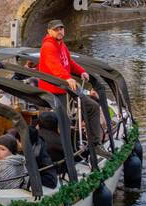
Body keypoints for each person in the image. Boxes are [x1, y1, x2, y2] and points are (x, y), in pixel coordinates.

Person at [37, 18, 103, 147]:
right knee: (63, 121)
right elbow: (54, 65)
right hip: (55, 90)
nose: (59, 31)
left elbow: (69, 63)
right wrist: (67, 78)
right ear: (49, 31)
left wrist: (81, 72)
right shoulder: (48, 46)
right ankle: (67, 149)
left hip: (65, 89)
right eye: (56, 29)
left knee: (92, 106)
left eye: (61, 28)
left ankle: (95, 143)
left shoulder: (61, 45)